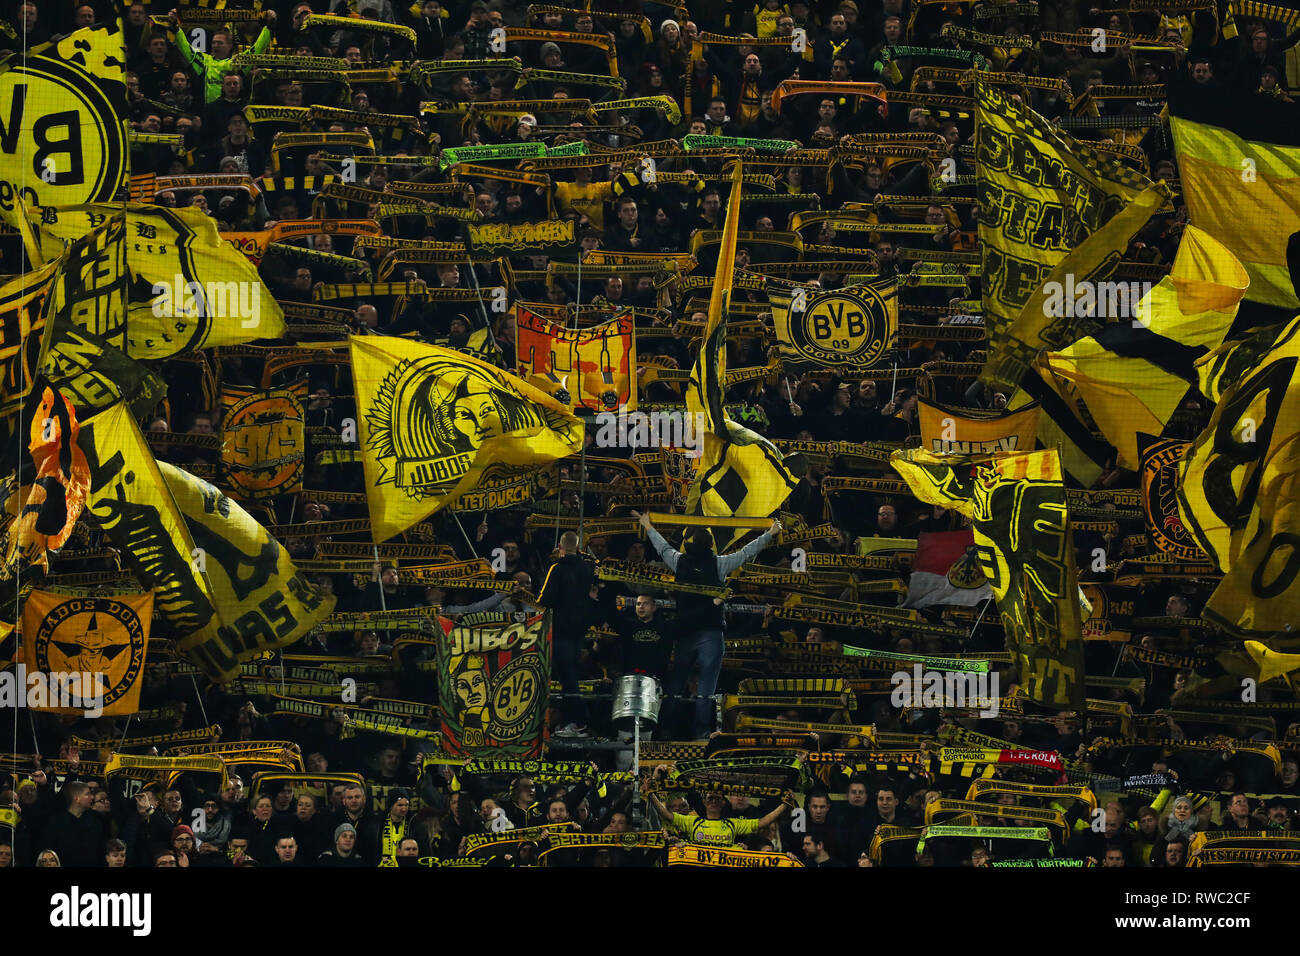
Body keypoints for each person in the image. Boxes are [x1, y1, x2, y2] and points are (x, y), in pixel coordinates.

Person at [635, 511, 781, 739]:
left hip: (685, 632)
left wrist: (648, 526)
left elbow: (662, 548)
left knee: (674, 689)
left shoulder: (678, 561)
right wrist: (769, 534)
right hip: (710, 633)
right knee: (705, 691)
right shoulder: (719, 563)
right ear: (711, 543)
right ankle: (702, 733)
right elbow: (745, 553)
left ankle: (664, 731)